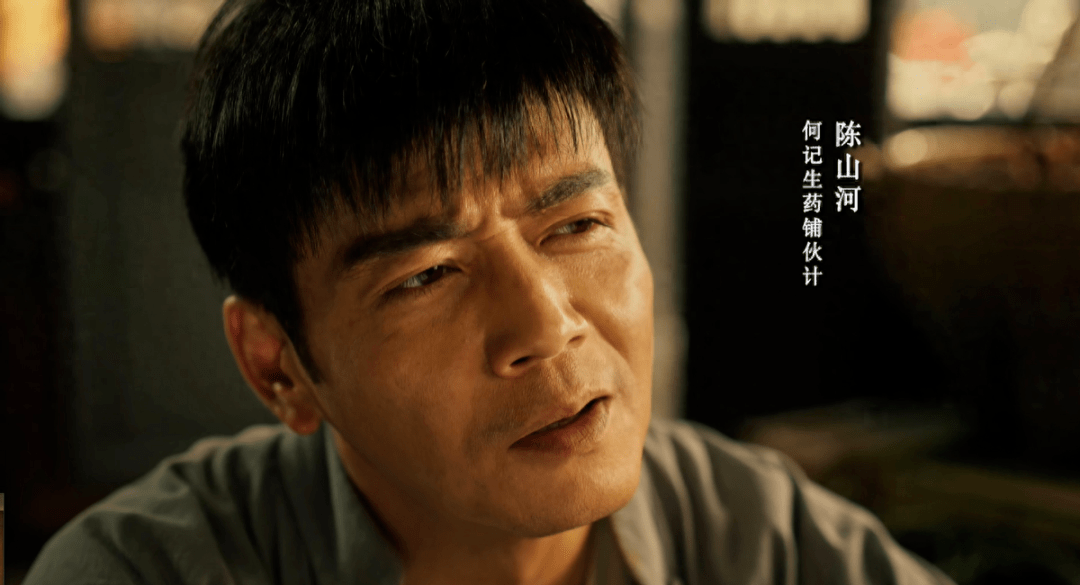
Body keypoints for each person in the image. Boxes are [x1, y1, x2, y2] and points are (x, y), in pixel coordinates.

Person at [25, 1, 955, 583]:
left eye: (577, 224)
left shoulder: (758, 537)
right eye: (426, 274)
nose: (547, 324)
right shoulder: (145, 569)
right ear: (279, 367)